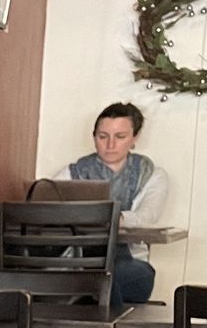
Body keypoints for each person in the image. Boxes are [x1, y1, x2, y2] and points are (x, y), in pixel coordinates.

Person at [47, 102, 169, 307]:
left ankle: (83, 308)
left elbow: (147, 216)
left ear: (135, 138)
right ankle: (102, 322)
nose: (110, 144)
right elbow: (46, 209)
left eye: (120, 137)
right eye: (103, 137)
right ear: (94, 137)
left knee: (113, 277)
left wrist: (115, 217)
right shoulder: (71, 173)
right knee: (91, 278)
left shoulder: (152, 175)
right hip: (78, 258)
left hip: (127, 260)